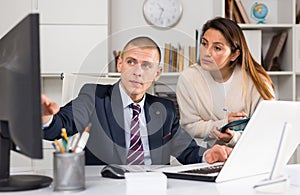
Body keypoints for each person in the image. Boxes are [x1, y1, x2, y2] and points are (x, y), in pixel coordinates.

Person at [42, 36, 232, 165]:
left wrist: (208, 155)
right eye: (131, 62)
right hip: (108, 188)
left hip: (154, 187)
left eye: (147, 65)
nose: (138, 71)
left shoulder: (164, 109)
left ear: (157, 74)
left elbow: (187, 150)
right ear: (120, 64)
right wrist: (46, 118)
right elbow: (61, 125)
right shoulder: (94, 96)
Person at [176, 17, 275, 148]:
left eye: (217, 48)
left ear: (234, 55)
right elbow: (190, 126)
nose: (207, 53)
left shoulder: (256, 81)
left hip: (248, 154)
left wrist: (233, 137)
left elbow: (267, 129)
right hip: (206, 158)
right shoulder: (188, 78)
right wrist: (223, 123)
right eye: (204, 44)